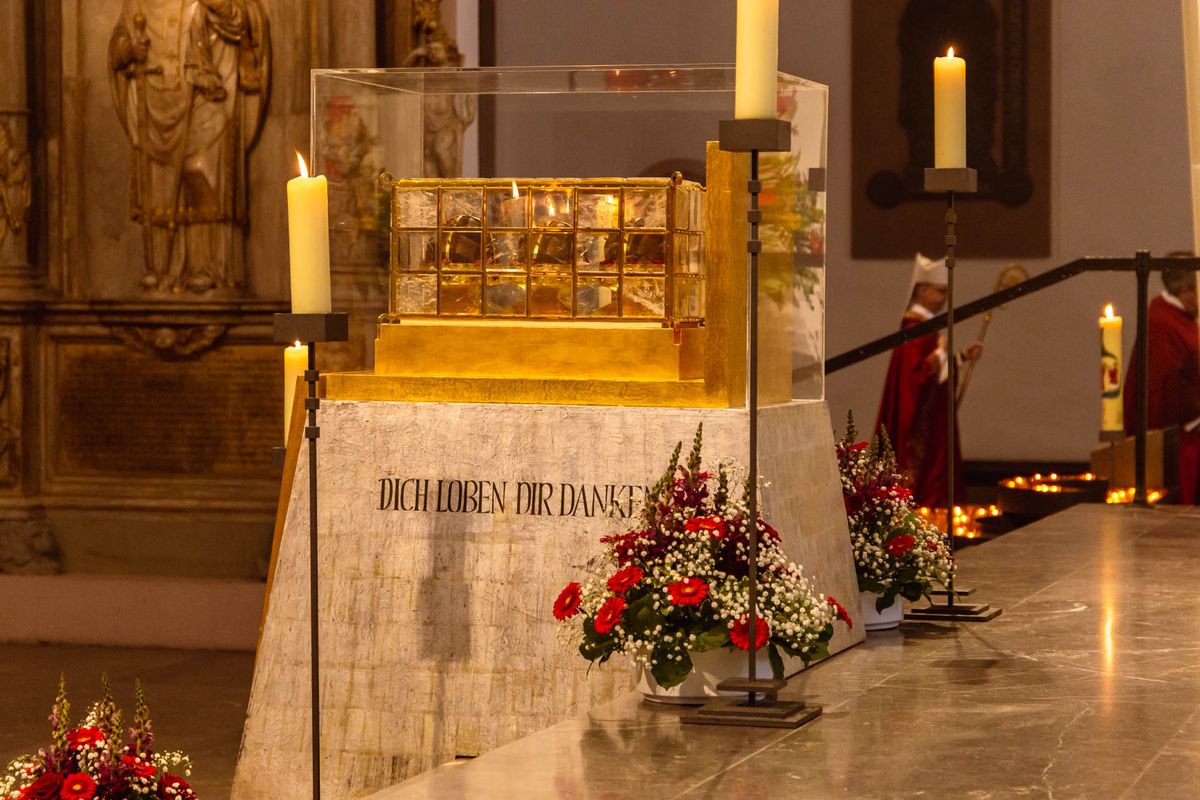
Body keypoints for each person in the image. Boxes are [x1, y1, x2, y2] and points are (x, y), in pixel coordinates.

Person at [876, 253, 983, 508]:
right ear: (922, 289)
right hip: (917, 424)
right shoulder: (914, 326)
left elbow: (933, 371)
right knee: (916, 473)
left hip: (932, 415)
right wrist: (938, 355)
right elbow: (914, 376)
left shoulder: (926, 325)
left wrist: (961, 357)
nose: (944, 298)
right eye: (940, 291)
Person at [1123, 262, 1200, 503]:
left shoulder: (1176, 317)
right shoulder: (1163, 321)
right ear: (1186, 290)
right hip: (1180, 433)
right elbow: (1168, 383)